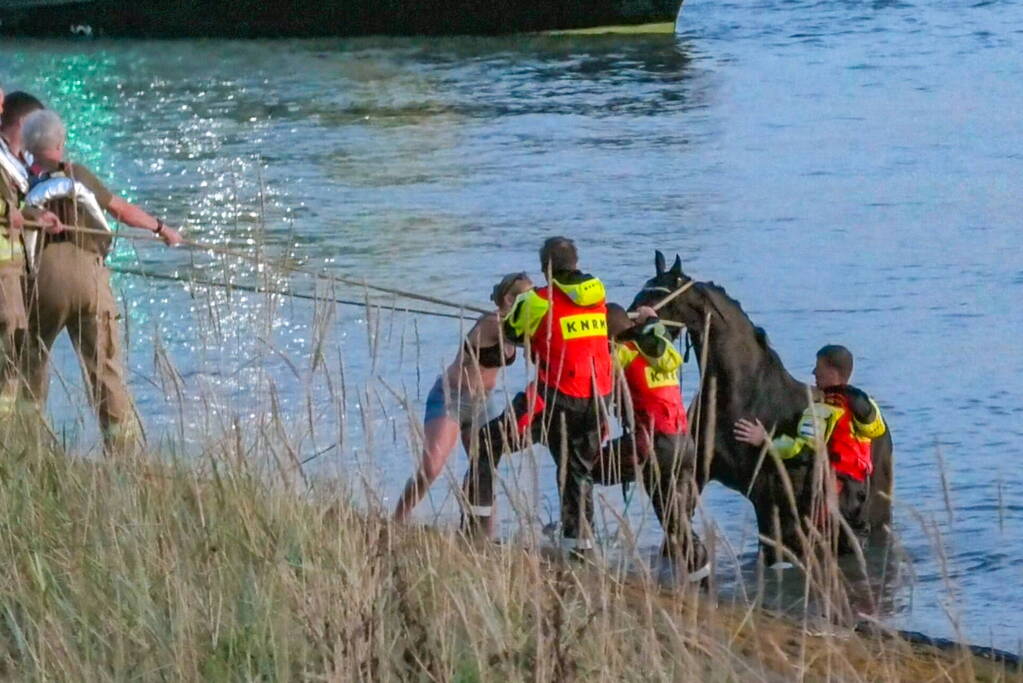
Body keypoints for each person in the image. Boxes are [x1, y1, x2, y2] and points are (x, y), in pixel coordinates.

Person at [19, 109, 183, 451]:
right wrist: (161, 228)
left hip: (44, 281)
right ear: (61, 142)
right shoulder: (76, 173)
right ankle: (123, 456)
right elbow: (120, 210)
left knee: (30, 362)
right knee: (104, 369)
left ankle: (25, 447)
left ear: (29, 146)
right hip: (91, 279)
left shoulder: (20, 177)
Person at [465, 236, 612, 556]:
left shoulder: (536, 300)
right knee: (577, 472)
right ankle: (580, 551)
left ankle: (475, 535)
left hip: (557, 397)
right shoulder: (597, 296)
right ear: (575, 263)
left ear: (547, 268)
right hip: (599, 400)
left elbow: (514, 334)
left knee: (487, 442)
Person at [393, 272, 532, 522]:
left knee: (484, 472)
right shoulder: (492, 322)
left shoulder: (518, 323)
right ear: (502, 298)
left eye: (524, 297)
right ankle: (398, 519)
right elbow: (522, 336)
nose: (517, 302)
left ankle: (485, 534)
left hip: (483, 403)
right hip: (452, 397)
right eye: (513, 296)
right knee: (431, 467)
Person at [594, 303, 708, 576]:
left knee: (585, 468)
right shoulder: (663, 349)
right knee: (676, 519)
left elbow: (597, 378)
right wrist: (652, 321)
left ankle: (577, 540)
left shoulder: (622, 353)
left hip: (656, 444)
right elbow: (660, 339)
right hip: (684, 442)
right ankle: (699, 578)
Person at [733, 344, 886, 530]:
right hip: (860, 492)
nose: (814, 372)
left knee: (816, 544)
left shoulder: (823, 411)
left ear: (832, 371)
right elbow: (877, 430)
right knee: (854, 545)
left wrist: (764, 440)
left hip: (833, 493)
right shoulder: (866, 407)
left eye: (818, 367)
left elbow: (800, 450)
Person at [0, 87, 60, 420]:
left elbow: (21, 207)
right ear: (23, 124)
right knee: (10, 349)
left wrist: (37, 216)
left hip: (17, 269)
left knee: (21, 351)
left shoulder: (19, 165)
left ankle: (22, 433)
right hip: (3, 269)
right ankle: (7, 438)